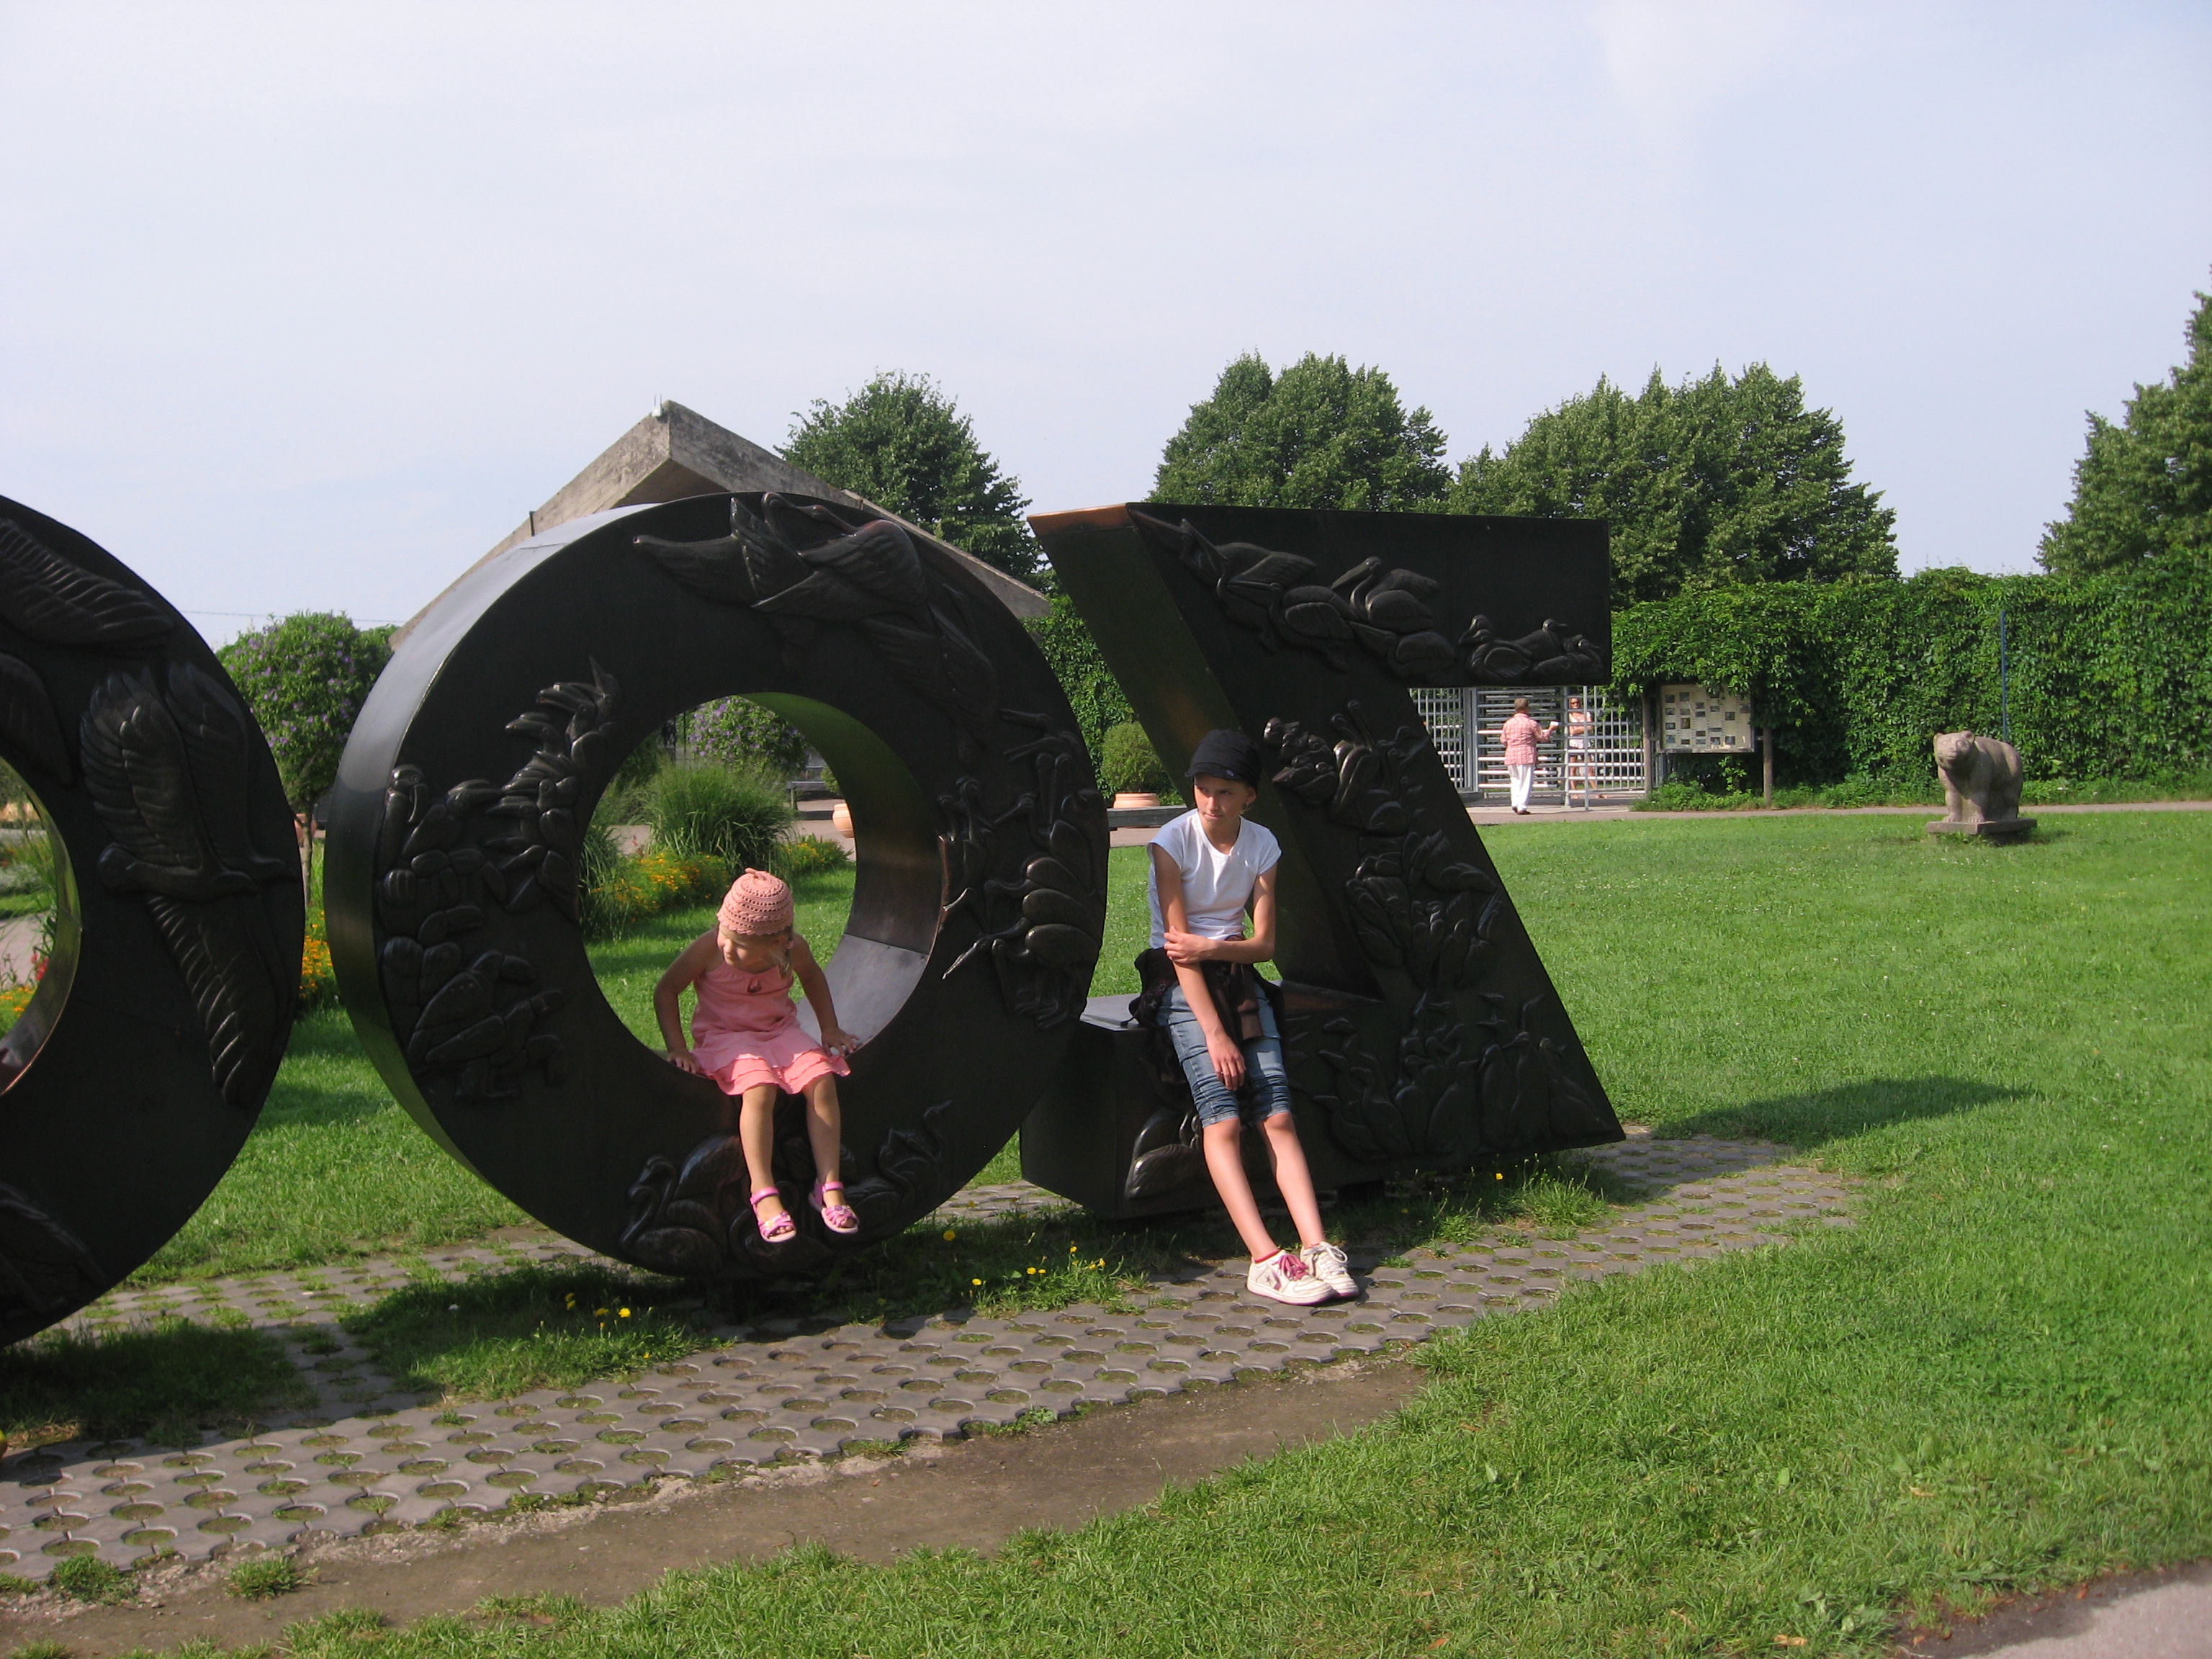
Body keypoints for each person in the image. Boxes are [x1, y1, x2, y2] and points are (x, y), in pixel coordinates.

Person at [1140, 729, 1354, 1306]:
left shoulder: (1263, 846)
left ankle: (1316, 1246)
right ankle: (1265, 1259)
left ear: (1249, 797)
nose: (1211, 803)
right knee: (1224, 1117)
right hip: (1179, 980)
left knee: (1277, 1112)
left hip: (1234, 974)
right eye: (1203, 790)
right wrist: (1215, 1034)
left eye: (1226, 792)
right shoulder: (1171, 842)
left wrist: (1214, 949)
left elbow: (1263, 946)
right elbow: (1177, 950)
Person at [655, 868, 862, 1241]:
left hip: (779, 1032)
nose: (727, 947)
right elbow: (667, 989)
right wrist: (677, 1047)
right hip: (726, 1038)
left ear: (777, 942)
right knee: (760, 1088)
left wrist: (829, 1028)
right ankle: (763, 1192)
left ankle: (830, 1186)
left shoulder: (793, 950)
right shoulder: (709, 947)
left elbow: (813, 978)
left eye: (740, 945)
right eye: (726, 935)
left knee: (821, 1079)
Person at [1485, 697, 1557, 814]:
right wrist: (1551, 729)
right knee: (1526, 781)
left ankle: (1515, 803)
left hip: (1511, 754)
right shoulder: (1531, 723)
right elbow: (1543, 738)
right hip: (1526, 754)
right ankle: (1522, 807)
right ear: (1527, 708)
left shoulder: (1508, 723)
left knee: (1515, 780)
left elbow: (1503, 740)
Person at [1564, 695, 1594, 807]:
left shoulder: (1586, 714)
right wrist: (1584, 727)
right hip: (1574, 744)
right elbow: (1572, 731)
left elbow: (1590, 727)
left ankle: (1597, 791)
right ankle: (1574, 792)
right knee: (1573, 768)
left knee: (1590, 768)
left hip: (1585, 744)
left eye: (1577, 702)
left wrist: (1578, 728)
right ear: (1570, 705)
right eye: (1573, 703)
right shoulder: (1569, 715)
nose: (1575, 704)